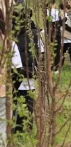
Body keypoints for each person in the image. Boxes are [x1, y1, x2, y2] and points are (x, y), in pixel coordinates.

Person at [12, 8, 43, 133]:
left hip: (16, 76)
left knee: (16, 103)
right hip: (29, 76)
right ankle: (26, 130)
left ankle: (18, 130)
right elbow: (41, 53)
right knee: (28, 105)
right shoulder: (35, 33)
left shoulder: (11, 35)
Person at [0, 9, 23, 144]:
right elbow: (17, 69)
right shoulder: (9, 42)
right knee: (2, 127)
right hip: (3, 91)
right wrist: (12, 88)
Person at [46, 0, 62, 72]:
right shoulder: (56, 12)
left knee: (50, 50)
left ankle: (50, 66)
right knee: (57, 50)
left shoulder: (46, 12)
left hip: (49, 33)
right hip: (56, 32)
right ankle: (55, 67)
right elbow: (59, 22)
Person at [60, 3, 71, 69]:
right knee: (69, 51)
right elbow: (64, 25)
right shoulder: (63, 15)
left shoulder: (64, 14)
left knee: (63, 52)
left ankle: (60, 66)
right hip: (65, 35)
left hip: (66, 36)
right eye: (68, 9)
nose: (68, 11)